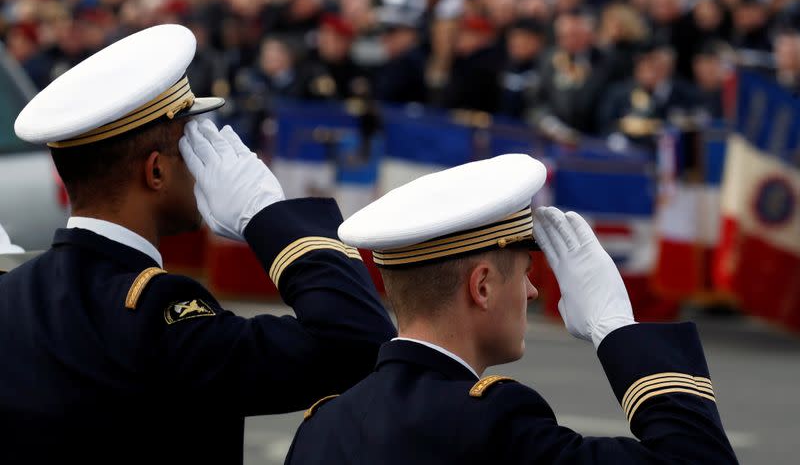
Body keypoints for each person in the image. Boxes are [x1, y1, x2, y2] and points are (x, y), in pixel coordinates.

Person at [0, 24, 395, 463]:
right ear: (156, 172)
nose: (205, 165)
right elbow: (359, 340)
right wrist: (266, 216)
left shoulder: (11, 294)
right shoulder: (159, 320)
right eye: (191, 147)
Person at [285, 154, 738, 464]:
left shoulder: (322, 426)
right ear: (482, 286)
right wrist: (616, 330)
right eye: (524, 273)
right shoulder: (492, 424)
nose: (532, 293)